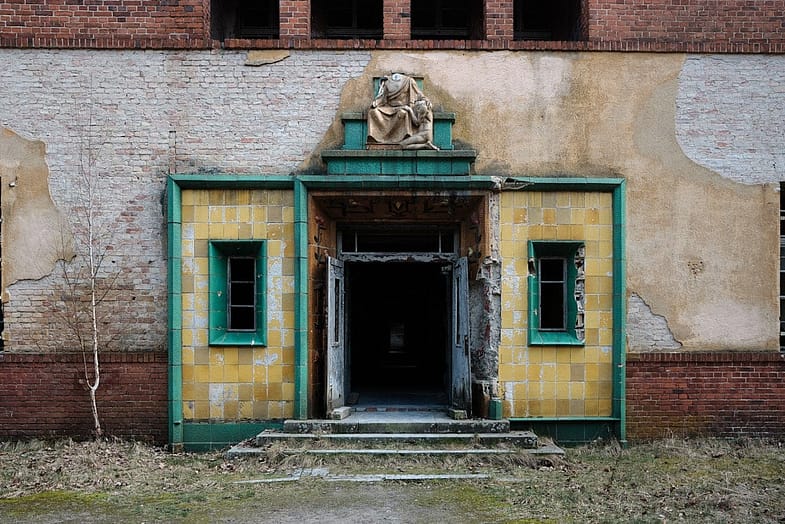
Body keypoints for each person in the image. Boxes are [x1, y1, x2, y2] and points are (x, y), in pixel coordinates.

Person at [367, 73, 426, 145]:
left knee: (402, 113)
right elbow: (383, 98)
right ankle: (378, 138)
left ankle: (400, 138)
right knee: (373, 112)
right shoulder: (386, 82)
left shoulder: (408, 81)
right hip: (389, 108)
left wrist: (425, 101)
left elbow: (419, 94)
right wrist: (375, 103)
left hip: (402, 107)